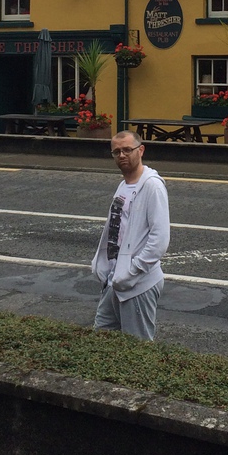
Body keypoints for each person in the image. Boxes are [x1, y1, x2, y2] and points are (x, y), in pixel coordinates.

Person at [91, 130, 170, 341]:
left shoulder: (152, 186)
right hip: (114, 281)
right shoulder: (123, 186)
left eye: (127, 149)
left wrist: (133, 271)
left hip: (138, 284)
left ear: (141, 150)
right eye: (116, 152)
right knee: (101, 339)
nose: (122, 155)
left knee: (138, 347)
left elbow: (160, 238)